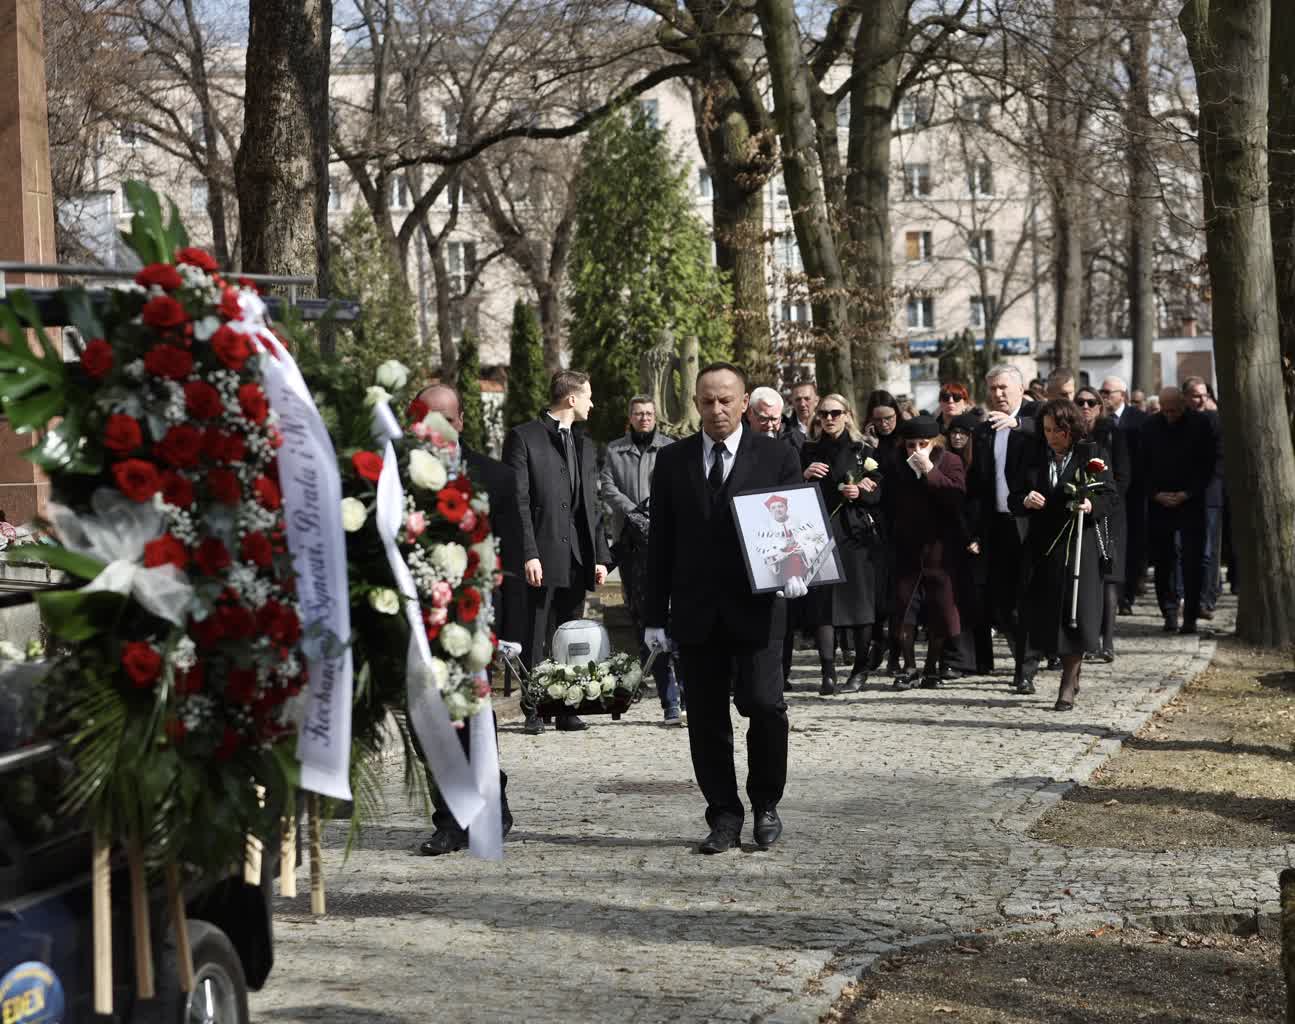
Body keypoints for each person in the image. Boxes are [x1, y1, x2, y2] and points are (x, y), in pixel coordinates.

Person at [644, 362, 802, 855]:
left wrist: (798, 569)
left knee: (764, 705)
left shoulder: (776, 455)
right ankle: (724, 815)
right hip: (697, 610)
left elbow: (796, 522)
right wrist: (654, 616)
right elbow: (660, 542)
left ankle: (766, 802)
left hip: (759, 607)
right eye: (707, 401)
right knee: (706, 717)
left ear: (744, 402)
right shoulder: (673, 461)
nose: (717, 410)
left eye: (726, 400)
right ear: (696, 404)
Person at [412, 383, 518, 855]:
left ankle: (484, 804)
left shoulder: (495, 477)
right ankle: (451, 817)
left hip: (475, 619)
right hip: (418, 619)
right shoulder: (399, 477)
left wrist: (511, 632)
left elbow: (510, 557)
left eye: (442, 420)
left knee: (470, 714)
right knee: (426, 721)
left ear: (459, 422)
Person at [503, 369, 611, 734]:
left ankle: (566, 707)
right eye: (589, 396)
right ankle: (533, 707)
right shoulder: (524, 437)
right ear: (571, 398)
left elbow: (592, 505)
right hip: (541, 551)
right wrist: (528, 552)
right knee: (536, 632)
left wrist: (600, 555)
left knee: (570, 634)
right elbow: (518, 501)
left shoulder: (585, 444)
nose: (593, 403)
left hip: (577, 554)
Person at [1010, 399, 1113, 712]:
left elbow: (1109, 494)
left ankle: (1067, 683)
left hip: (1079, 543)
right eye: (1047, 430)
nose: (1052, 436)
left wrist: (1090, 505)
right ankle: (1064, 669)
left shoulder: (1091, 454)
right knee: (1046, 613)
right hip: (1044, 545)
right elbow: (1014, 495)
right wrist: (1025, 499)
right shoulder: (1033, 456)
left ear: (1072, 429)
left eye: (1058, 430)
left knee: (1076, 612)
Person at [599, 395, 682, 724]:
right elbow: (607, 486)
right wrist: (633, 511)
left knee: (672, 615)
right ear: (630, 417)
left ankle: (680, 692)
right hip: (629, 541)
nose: (644, 418)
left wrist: (654, 509)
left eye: (649, 413)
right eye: (638, 413)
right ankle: (653, 674)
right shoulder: (615, 450)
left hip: (665, 537)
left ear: (655, 417)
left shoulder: (670, 448)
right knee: (640, 612)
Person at [800, 394, 883, 695]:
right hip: (818, 532)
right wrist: (804, 475)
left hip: (854, 533)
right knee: (823, 604)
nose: (829, 419)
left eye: (835, 413)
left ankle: (860, 669)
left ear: (847, 415)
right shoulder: (808, 450)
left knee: (859, 603)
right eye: (823, 414)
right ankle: (828, 672)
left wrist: (860, 492)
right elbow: (790, 492)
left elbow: (879, 492)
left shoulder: (864, 450)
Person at [971, 364, 1041, 694]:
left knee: (1026, 598)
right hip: (996, 524)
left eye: (1004, 388)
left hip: (1027, 523)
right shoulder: (985, 430)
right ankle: (1023, 656)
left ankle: (1025, 668)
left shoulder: (1034, 417)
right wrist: (975, 530)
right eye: (993, 388)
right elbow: (978, 484)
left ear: (1020, 389)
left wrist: (1019, 425)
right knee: (1000, 602)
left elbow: (1056, 432)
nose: (998, 394)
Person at [888, 415, 966, 689]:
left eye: (923, 444)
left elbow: (956, 496)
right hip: (907, 546)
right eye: (911, 445)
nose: (916, 450)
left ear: (935, 442)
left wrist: (930, 471)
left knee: (940, 608)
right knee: (904, 607)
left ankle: (932, 667)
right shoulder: (897, 463)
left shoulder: (950, 461)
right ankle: (909, 666)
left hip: (940, 547)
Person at [1140, 387, 1215, 634]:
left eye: (1174, 410)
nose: (1170, 415)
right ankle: (1169, 611)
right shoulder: (1150, 427)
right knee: (1164, 560)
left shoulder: (1200, 424)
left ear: (1183, 405)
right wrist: (1155, 494)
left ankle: (1190, 615)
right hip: (1160, 501)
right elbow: (1143, 465)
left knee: (1193, 560)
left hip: (1190, 501)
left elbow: (1207, 464)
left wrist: (1187, 493)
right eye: (1166, 410)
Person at [1074, 385, 1129, 662]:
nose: (1085, 407)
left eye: (1091, 402)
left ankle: (1107, 642)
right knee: (1085, 577)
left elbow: (1123, 476)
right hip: (1079, 513)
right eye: (1080, 402)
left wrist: (1100, 501)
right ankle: (1087, 640)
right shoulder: (1071, 434)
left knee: (1108, 576)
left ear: (1099, 406)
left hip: (1110, 514)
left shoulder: (1112, 434)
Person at [943, 412, 994, 676]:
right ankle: (962, 659)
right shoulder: (945, 462)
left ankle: (980, 660)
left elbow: (985, 505)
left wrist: (978, 538)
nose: (957, 437)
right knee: (957, 601)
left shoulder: (981, 465)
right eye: (953, 432)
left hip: (976, 540)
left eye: (963, 433)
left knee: (976, 603)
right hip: (952, 538)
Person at [863, 390, 905, 672]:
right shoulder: (868, 444)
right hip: (877, 521)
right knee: (879, 592)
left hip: (902, 520)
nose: (884, 424)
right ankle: (878, 643)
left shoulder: (905, 440)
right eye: (878, 419)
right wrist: (872, 447)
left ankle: (896, 651)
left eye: (889, 418)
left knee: (899, 592)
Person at [1100, 376, 1148, 614]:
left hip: (1135, 494)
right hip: (1108, 493)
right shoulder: (1099, 421)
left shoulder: (1139, 419)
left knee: (1132, 545)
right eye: (1102, 392)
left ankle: (1127, 595)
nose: (1104, 396)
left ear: (1123, 395)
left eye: (1108, 392)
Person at [1182, 376, 1225, 620]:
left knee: (1208, 552)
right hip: (1186, 494)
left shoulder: (1214, 420)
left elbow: (1220, 459)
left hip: (1210, 494)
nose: (1201, 400)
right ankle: (1185, 598)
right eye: (1196, 396)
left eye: (1204, 395)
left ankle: (1206, 600)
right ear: (1186, 397)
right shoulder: (1181, 422)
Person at [783, 379, 818, 446]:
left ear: (816, 401)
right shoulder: (784, 431)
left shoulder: (827, 426)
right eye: (798, 399)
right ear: (792, 402)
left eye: (807, 399)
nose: (802, 404)